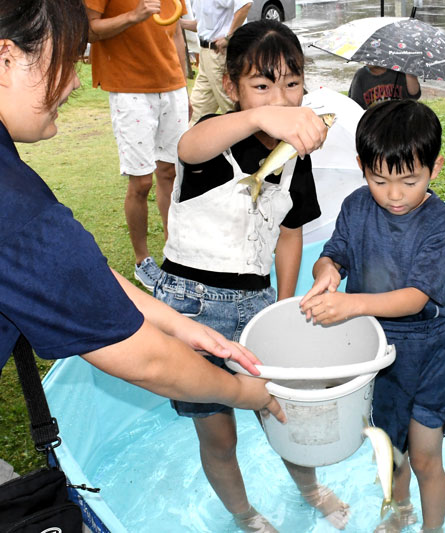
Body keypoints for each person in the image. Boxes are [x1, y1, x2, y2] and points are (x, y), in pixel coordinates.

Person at [0, 0, 285, 480]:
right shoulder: (16, 207)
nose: (74, 81)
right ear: (5, 57)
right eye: (67, 60)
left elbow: (78, 273)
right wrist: (245, 392)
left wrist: (180, 324)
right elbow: (146, 360)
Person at [157, 19, 350, 532]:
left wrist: (282, 307)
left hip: (255, 305)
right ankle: (244, 513)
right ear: (231, 88)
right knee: (219, 437)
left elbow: (290, 232)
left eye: (292, 83)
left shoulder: (294, 159)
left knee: (283, 413)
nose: (281, 98)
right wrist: (264, 116)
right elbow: (188, 146)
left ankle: (309, 489)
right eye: (262, 86)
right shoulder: (211, 142)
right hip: (191, 306)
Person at [299, 100, 445, 533]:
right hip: (372, 352)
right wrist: (327, 275)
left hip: (428, 352)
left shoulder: (441, 225)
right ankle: (400, 509)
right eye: (379, 180)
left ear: (435, 167)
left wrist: (351, 304)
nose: (393, 194)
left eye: (409, 181)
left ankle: (434, 529)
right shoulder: (357, 207)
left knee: (426, 456)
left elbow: (415, 297)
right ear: (361, 166)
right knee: (389, 449)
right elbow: (334, 254)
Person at [84, 0, 191, 291]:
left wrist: (183, 87)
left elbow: (177, 32)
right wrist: (135, 15)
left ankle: (175, 250)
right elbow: (90, 30)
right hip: (129, 90)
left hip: (172, 88)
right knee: (141, 181)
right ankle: (143, 261)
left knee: (171, 173)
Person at [182, 0, 252, 125]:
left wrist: (228, 37)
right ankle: (190, 139)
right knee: (197, 108)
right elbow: (201, 25)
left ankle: (248, 140)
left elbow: (245, 4)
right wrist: (178, 23)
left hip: (220, 53)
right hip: (206, 53)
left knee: (231, 105)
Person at [347, 64, 421, 110]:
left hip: (400, 122)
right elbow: (355, 105)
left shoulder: (398, 71)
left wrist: (409, 73)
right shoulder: (361, 75)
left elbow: (414, 95)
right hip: (374, 124)